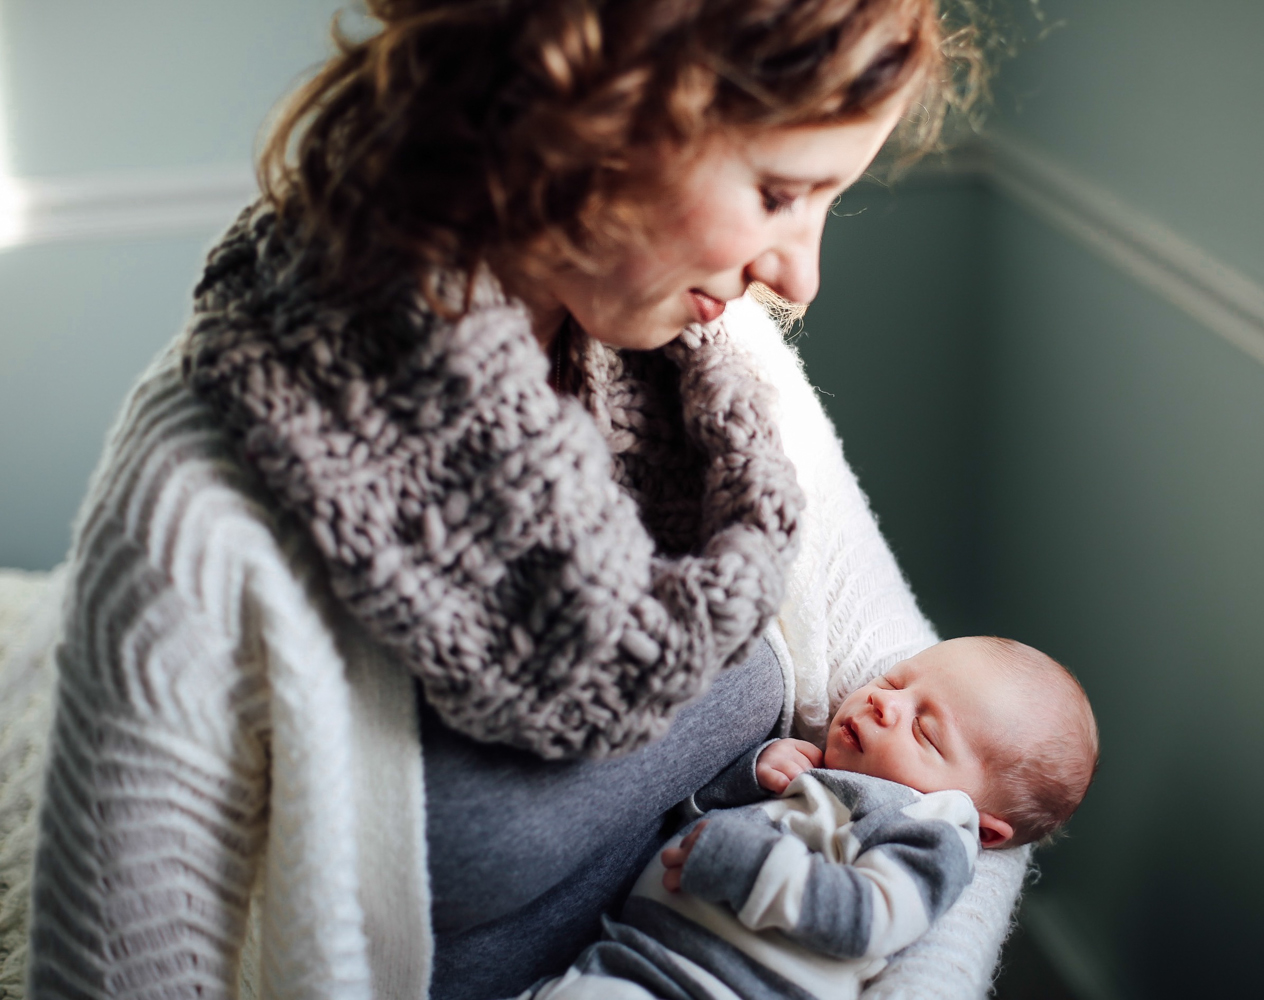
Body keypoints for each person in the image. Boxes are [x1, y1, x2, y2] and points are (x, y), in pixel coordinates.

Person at [15, 1, 1035, 998]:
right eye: (777, 191)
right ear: (588, 107)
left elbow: (967, 786)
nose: (799, 277)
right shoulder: (203, 497)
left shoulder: (714, 372)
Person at [517, 637, 1099, 1000]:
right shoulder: (816, 776)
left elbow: (868, 916)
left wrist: (747, 867)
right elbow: (691, 818)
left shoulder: (931, 825)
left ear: (982, 825)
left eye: (923, 729)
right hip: (629, 957)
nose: (884, 702)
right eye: (896, 680)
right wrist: (751, 774)